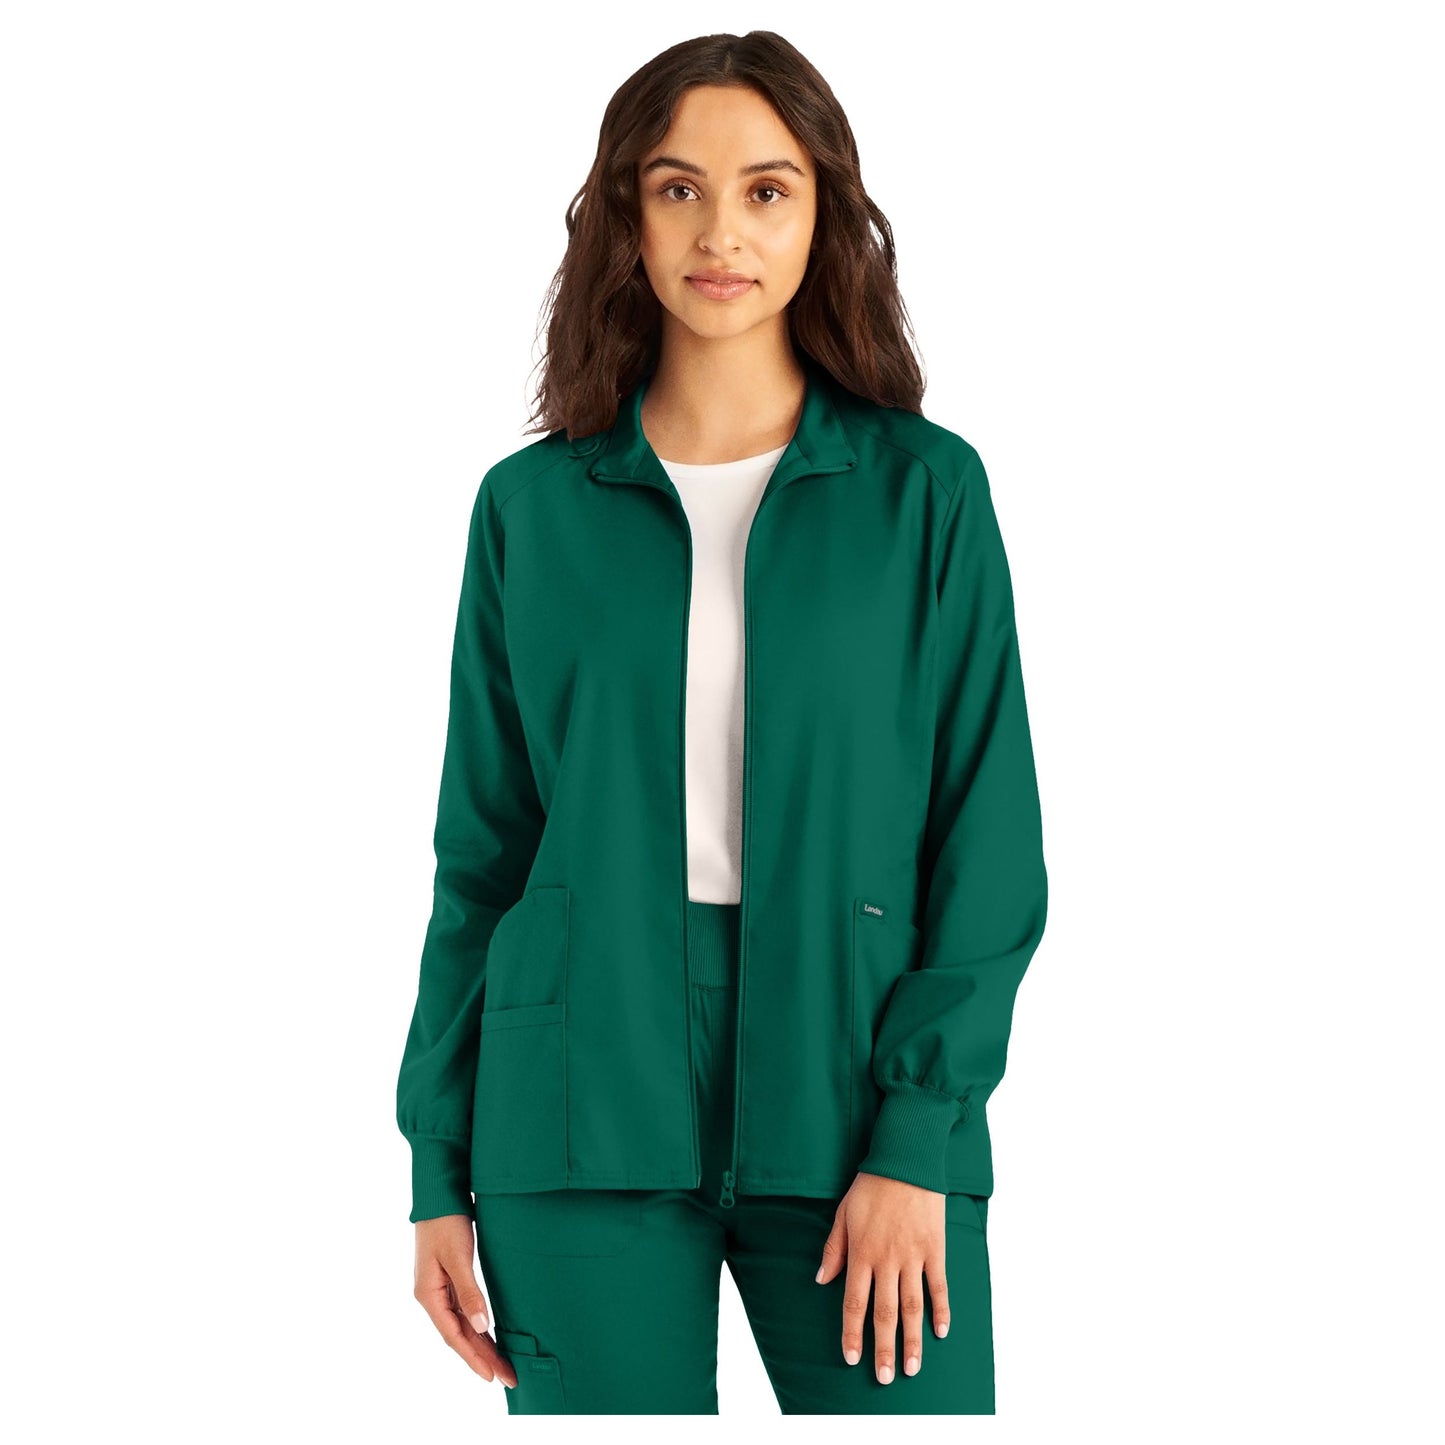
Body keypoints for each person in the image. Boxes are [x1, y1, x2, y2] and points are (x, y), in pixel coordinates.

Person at [395, 30, 1048, 1415]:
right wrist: (434, 1164)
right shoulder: (530, 511)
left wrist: (919, 1135)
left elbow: (986, 846)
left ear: (824, 218)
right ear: (626, 217)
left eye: (766, 191)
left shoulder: (925, 495)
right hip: (573, 1098)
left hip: (852, 1079)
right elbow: (483, 856)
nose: (721, 233)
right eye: (678, 188)